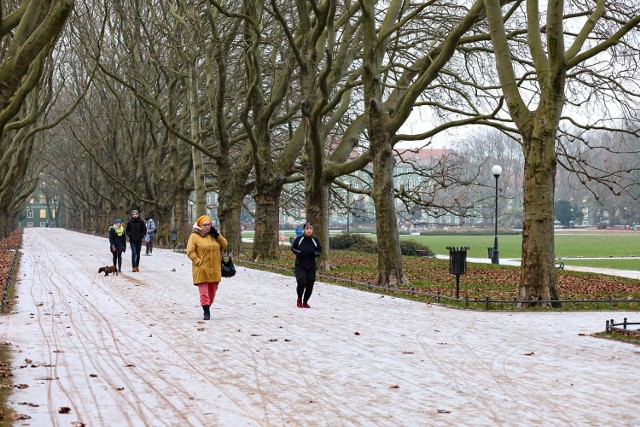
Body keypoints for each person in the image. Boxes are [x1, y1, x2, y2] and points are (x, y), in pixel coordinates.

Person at [186, 215, 228, 320]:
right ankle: (206, 311)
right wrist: (198, 261)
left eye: (209, 224)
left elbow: (225, 245)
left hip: (215, 267)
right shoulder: (194, 236)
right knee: (204, 291)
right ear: (200, 225)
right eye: (205, 225)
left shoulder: (214, 235)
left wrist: (218, 235)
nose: (207, 227)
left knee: (212, 291)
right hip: (201, 268)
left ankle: (207, 305)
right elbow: (190, 251)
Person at [290, 221, 322, 308]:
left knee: (310, 284)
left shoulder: (315, 240)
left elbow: (319, 251)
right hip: (300, 265)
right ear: (304, 230)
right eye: (307, 228)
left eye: (310, 229)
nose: (309, 230)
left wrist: (315, 254)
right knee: (302, 282)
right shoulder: (299, 239)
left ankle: (305, 302)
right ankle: (299, 298)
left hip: (311, 266)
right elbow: (293, 248)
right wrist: (299, 253)